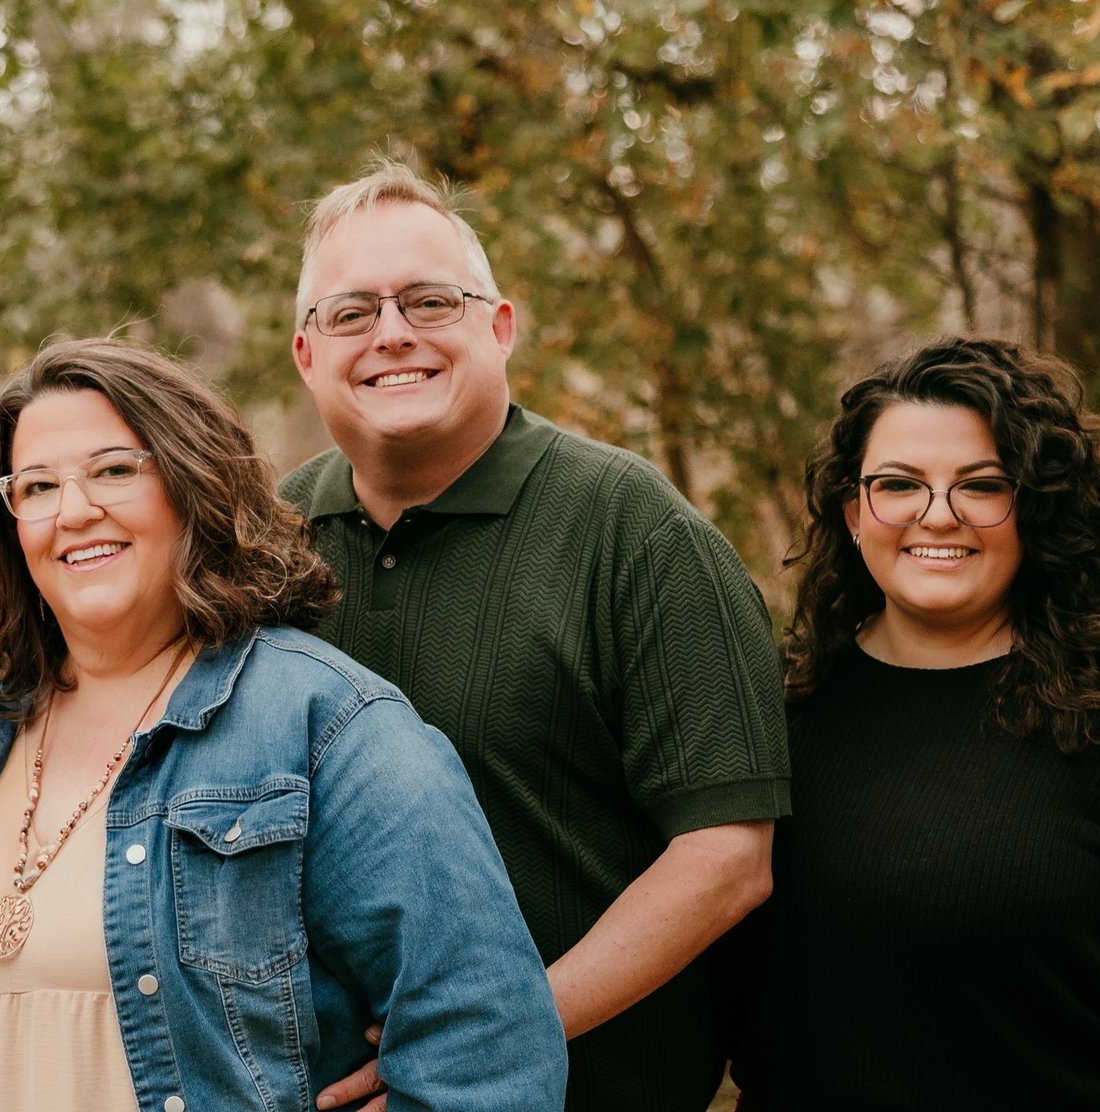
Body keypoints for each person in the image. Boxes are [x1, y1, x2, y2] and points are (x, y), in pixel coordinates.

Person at [0, 336, 567, 1110]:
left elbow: (489, 1049)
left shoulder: (326, 726)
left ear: (194, 485)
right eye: (37, 487)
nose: (75, 511)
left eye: (115, 470)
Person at [278, 160, 790, 1112]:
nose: (392, 333)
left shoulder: (635, 533)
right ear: (308, 354)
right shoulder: (262, 547)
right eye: (350, 313)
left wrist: (480, 1040)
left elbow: (726, 860)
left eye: (431, 301)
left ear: (500, 327)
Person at [730, 338, 1100, 1109]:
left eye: (982, 485)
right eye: (900, 484)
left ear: (1035, 508)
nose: (938, 515)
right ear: (855, 513)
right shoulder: (774, 707)